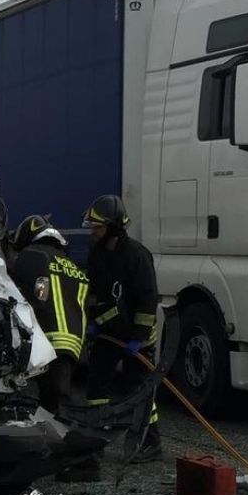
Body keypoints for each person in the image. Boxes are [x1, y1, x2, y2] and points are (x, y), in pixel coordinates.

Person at [83, 194, 162, 464]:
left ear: (114, 227)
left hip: (135, 339)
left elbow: (147, 300)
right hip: (107, 333)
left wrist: (139, 338)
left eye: (98, 227)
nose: (93, 232)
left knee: (136, 389)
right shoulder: (96, 254)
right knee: (96, 385)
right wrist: (93, 321)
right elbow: (93, 293)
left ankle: (150, 443)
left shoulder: (137, 256)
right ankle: (96, 439)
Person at [9, 215, 88, 414]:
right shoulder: (71, 265)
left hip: (46, 337)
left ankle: (51, 439)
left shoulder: (32, 255)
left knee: (43, 400)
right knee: (57, 396)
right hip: (74, 342)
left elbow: (19, 293)